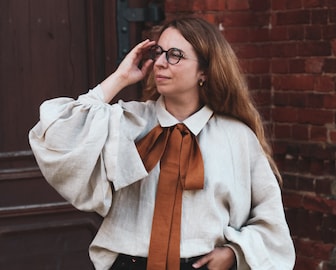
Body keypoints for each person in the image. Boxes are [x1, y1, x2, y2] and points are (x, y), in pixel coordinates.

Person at [29, 17, 295, 270]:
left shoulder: (237, 137)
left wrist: (234, 253)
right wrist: (119, 78)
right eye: (158, 52)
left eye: (175, 55)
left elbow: (270, 219)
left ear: (204, 71)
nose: (160, 63)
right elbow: (55, 134)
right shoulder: (127, 122)